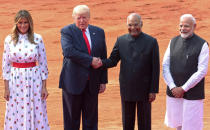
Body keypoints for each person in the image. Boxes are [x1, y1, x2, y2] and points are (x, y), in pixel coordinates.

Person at [101, 13, 160, 130]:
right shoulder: (121, 40)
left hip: (145, 88)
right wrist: (100, 63)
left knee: (145, 122)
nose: (133, 28)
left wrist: (153, 90)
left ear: (141, 24)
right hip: (127, 87)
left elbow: (155, 68)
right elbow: (113, 60)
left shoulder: (151, 42)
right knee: (127, 122)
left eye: (136, 24)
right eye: (130, 25)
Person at [58, 5, 108, 130]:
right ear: (73, 17)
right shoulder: (67, 31)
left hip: (92, 82)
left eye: (84, 17)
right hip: (72, 83)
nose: (82, 21)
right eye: (78, 18)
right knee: (71, 121)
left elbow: (103, 56)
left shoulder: (99, 32)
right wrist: (90, 60)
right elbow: (68, 51)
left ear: (89, 17)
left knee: (91, 121)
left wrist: (103, 80)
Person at [2, 10, 50, 130]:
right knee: (15, 109)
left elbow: (43, 64)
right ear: (16, 24)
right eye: (20, 23)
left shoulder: (37, 38)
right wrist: (6, 88)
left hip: (34, 79)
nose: (23, 25)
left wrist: (44, 87)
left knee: (36, 107)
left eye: (25, 22)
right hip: (15, 80)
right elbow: (6, 65)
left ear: (30, 23)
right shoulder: (9, 39)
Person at [163, 14, 209, 130]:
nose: (183, 28)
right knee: (177, 123)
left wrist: (183, 88)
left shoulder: (202, 44)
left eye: (186, 26)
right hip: (174, 92)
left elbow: (202, 71)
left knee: (191, 126)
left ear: (194, 26)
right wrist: (173, 87)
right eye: (181, 25)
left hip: (193, 93)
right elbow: (165, 66)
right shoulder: (172, 41)